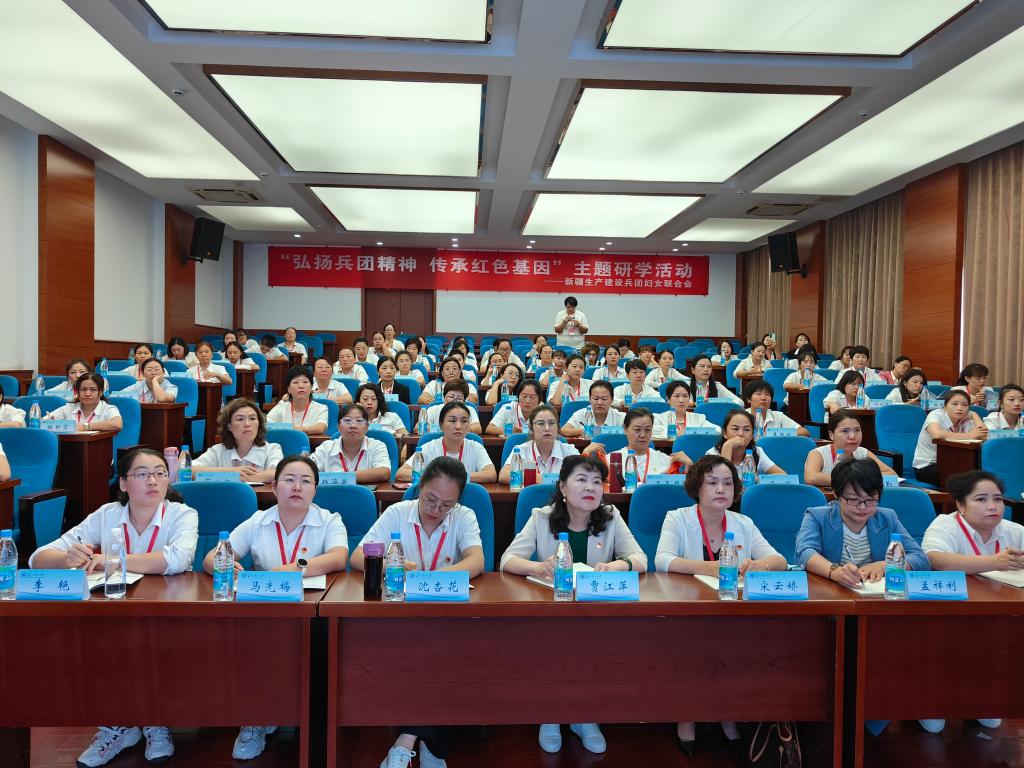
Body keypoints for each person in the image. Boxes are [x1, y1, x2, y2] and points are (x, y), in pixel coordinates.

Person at [31, 448, 199, 767]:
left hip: (166, 609)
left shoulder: (182, 514)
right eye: (142, 474)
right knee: (98, 641)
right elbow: (38, 557)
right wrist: (66, 558)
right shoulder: (107, 515)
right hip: (114, 609)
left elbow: (178, 559)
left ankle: (153, 719)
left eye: (160, 473)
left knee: (147, 643)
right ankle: (119, 725)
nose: (153, 481)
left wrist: (110, 560)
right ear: (123, 483)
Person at [203, 455, 347, 761]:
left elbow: (338, 557)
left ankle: (303, 716)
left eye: (306, 481)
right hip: (266, 613)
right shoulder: (258, 521)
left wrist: (297, 567)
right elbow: (212, 558)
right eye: (289, 480)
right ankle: (256, 718)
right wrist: (225, 565)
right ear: (273, 486)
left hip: (313, 613)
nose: (297, 487)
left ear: (315, 489)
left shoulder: (329, 520)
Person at [500, 454, 646, 756]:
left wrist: (617, 566)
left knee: (593, 646)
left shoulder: (610, 516)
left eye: (597, 481)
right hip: (550, 612)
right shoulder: (542, 517)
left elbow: (641, 559)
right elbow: (507, 560)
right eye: (581, 479)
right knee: (555, 644)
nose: (590, 487)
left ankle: (585, 716)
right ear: (563, 487)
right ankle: (550, 714)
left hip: (593, 613)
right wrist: (539, 567)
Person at [352, 457, 484, 768]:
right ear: (419, 487)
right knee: (421, 652)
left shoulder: (464, 516)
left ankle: (406, 741)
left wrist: (434, 578)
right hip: (401, 618)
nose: (436, 510)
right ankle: (434, 748)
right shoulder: (397, 513)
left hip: (448, 617)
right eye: (430, 499)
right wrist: (391, 565)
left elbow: (477, 560)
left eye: (447, 504)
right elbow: (358, 556)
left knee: (443, 651)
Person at [655, 453, 786, 756]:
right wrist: (709, 568)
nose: (720, 489)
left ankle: (726, 710)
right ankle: (687, 715)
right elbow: (662, 560)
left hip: (732, 608)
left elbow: (779, 559)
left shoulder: (743, 523)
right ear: (697, 487)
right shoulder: (678, 518)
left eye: (728, 483)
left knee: (738, 644)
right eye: (712, 482)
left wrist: (761, 564)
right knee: (693, 645)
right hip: (687, 608)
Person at [917, 470, 1017, 734]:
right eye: (981, 499)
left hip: (994, 614)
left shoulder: (1012, 530)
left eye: (998, 499)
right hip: (947, 615)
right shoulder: (945, 525)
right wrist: (993, 562)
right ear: (961, 505)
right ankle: (931, 700)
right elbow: (935, 559)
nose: (993, 506)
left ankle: (983, 697)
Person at [796, 458, 928, 587]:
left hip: (872, 592)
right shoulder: (817, 517)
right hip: (831, 590)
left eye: (870, 499)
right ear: (837, 494)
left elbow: (919, 558)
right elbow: (804, 553)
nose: (863, 507)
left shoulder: (887, 518)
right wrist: (835, 571)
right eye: (854, 500)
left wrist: (887, 565)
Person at [396, 402, 496, 484]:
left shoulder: (476, 447)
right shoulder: (429, 447)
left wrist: (457, 477)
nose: (458, 426)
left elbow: (491, 474)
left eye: (464, 421)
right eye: (452, 421)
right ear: (441, 425)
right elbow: (401, 473)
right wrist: (437, 478)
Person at [192, 398, 282, 484]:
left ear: (259, 423)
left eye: (252, 418)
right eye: (240, 419)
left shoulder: (272, 449)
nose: (247, 424)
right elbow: (189, 471)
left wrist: (237, 477)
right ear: (229, 426)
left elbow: (279, 474)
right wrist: (231, 472)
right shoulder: (218, 451)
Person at [583, 407, 690, 477]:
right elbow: (584, 479)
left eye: (648, 430)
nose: (643, 435)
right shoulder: (610, 460)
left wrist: (689, 466)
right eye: (637, 429)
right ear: (625, 429)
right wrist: (586, 453)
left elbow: (680, 492)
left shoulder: (666, 461)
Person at [912, 390, 988, 486]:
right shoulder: (936, 415)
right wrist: (970, 435)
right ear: (945, 406)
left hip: (955, 463)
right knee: (967, 477)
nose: (960, 408)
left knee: (981, 472)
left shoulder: (966, 418)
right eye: (954, 404)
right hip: (928, 466)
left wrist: (974, 414)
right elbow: (937, 434)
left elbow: (984, 436)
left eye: (965, 405)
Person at [804, 409, 897, 487]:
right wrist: (859, 478)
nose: (852, 436)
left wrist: (851, 479)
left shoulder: (862, 452)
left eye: (857, 430)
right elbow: (811, 477)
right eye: (845, 431)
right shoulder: (818, 454)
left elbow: (891, 474)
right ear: (831, 435)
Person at [310, 404, 392, 483]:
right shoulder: (326, 447)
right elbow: (307, 470)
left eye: (359, 421)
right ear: (338, 427)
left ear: (367, 427)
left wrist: (341, 478)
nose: (353, 425)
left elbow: (384, 472)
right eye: (347, 421)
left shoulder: (377, 446)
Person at [498, 405, 580, 484]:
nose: (547, 428)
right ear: (531, 428)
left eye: (551, 423)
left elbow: (581, 476)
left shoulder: (569, 451)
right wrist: (537, 478)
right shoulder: (521, 451)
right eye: (541, 423)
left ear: (557, 427)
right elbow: (503, 475)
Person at [705, 410, 785, 477]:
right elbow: (721, 480)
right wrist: (728, 446)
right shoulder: (712, 454)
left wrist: (756, 480)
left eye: (746, 430)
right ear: (724, 433)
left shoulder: (757, 452)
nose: (741, 434)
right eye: (735, 429)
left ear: (752, 436)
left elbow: (783, 475)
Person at [43, 373, 122, 432]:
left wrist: (85, 427)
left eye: (93, 389)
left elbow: (117, 424)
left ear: (101, 392)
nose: (87, 394)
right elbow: (42, 422)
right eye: (83, 389)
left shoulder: (108, 408)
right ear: (77, 392)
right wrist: (52, 424)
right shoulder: (69, 408)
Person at [266, 366, 329, 435]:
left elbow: (320, 428)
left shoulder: (321, 408)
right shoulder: (282, 406)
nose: (301, 386)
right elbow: (266, 424)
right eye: (296, 382)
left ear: (311, 387)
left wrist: (295, 429)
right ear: (289, 389)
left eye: (305, 382)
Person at [651, 381, 719, 439]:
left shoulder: (698, 418)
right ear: (668, 399)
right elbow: (650, 430)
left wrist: (691, 432)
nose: (681, 400)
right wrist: (677, 432)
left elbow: (718, 430)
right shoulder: (659, 418)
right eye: (677, 396)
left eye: (685, 396)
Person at [743, 380, 809, 437]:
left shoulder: (778, 416)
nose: (763, 398)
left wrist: (773, 433)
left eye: (767, 394)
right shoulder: (742, 417)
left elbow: (804, 432)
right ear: (748, 399)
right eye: (759, 394)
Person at [561, 380, 625, 437]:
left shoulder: (621, 417)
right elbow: (563, 430)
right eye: (595, 398)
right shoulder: (581, 414)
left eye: (604, 399)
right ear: (589, 399)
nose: (599, 403)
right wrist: (581, 431)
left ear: (612, 399)